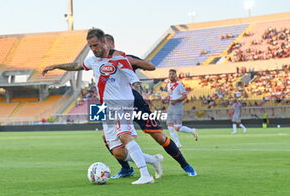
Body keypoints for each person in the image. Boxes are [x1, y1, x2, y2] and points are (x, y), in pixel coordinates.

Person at [43, 28, 162, 185]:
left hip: (123, 104)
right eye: (90, 47)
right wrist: (56, 66)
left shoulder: (119, 58)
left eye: (96, 45)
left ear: (104, 42)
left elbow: (134, 79)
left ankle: (145, 175)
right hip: (106, 108)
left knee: (125, 136)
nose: (93, 49)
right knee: (119, 152)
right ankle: (153, 160)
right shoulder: (93, 61)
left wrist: (144, 96)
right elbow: (76, 66)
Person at [104, 34, 197, 178]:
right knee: (106, 136)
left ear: (111, 45)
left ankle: (186, 165)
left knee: (159, 137)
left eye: (103, 45)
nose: (99, 49)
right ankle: (127, 169)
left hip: (135, 103)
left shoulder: (124, 59)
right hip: (112, 104)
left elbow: (151, 66)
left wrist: (133, 61)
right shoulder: (97, 63)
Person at [166, 69, 198, 148]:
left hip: (177, 106)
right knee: (170, 125)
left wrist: (176, 101)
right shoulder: (168, 85)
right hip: (171, 106)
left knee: (177, 127)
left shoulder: (179, 84)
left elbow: (185, 96)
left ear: (175, 75)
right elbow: (171, 95)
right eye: (170, 74)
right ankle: (178, 144)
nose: (171, 75)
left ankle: (192, 131)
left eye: (173, 74)